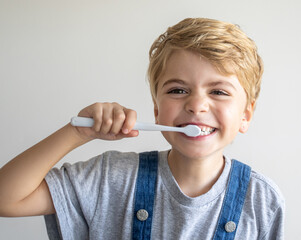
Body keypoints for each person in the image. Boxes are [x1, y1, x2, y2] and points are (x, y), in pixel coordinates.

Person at [0, 18, 285, 239]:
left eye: (219, 92)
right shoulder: (110, 178)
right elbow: (7, 199)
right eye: (177, 90)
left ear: (246, 115)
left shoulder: (262, 200)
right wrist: (77, 133)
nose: (196, 106)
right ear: (157, 108)